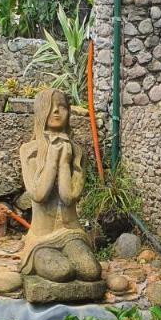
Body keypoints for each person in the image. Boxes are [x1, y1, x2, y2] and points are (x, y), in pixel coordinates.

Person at [19, 88, 101, 284]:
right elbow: (39, 195)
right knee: (61, 272)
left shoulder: (77, 152)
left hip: (71, 234)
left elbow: (68, 197)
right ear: (40, 111)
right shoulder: (28, 151)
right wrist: (53, 159)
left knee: (91, 272)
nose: (56, 111)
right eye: (51, 106)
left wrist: (65, 162)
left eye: (62, 106)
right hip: (41, 239)